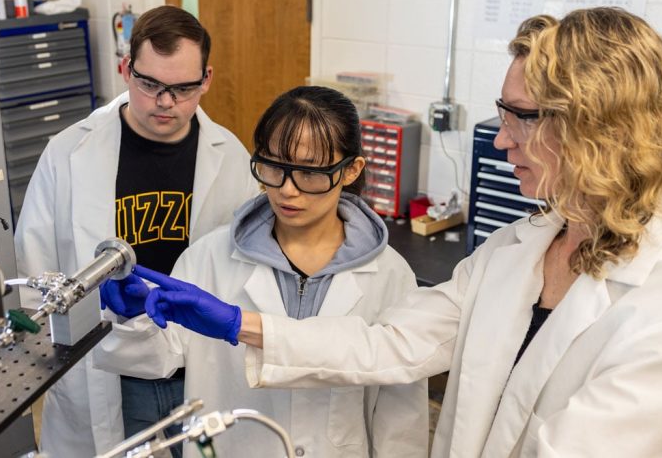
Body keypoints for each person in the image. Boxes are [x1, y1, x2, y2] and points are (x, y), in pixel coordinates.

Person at [129, 8, 662, 457]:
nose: (502, 139)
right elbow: (389, 344)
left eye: (520, 117)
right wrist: (237, 323)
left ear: (597, 127)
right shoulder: (519, 250)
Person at [94, 86, 428, 457]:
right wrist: (134, 319)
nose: (287, 190)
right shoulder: (210, 257)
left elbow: (401, 418)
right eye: (273, 166)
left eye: (309, 172)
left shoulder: (389, 275)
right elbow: (159, 359)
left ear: (351, 170)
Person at [13, 5, 256, 457]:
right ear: (126, 69)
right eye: (150, 85)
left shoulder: (232, 158)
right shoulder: (69, 152)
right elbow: (34, 267)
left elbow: (246, 268)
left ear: (206, 79)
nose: (166, 102)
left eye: (183, 88)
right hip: (108, 368)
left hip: (196, 366)